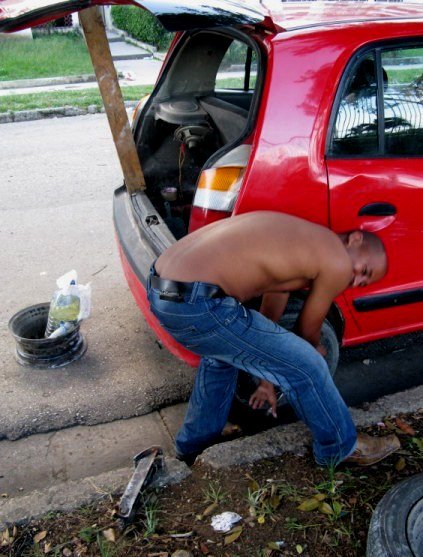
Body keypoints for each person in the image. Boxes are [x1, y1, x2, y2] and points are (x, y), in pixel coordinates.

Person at [147, 211, 400, 467]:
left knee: (222, 358)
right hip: (197, 302)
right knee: (308, 366)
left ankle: (192, 448)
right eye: (365, 270)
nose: (355, 279)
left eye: (363, 283)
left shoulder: (299, 246)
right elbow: (307, 331)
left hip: (162, 288)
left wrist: (267, 381)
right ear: (355, 239)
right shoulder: (336, 258)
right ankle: (340, 448)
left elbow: (268, 326)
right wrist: (314, 348)